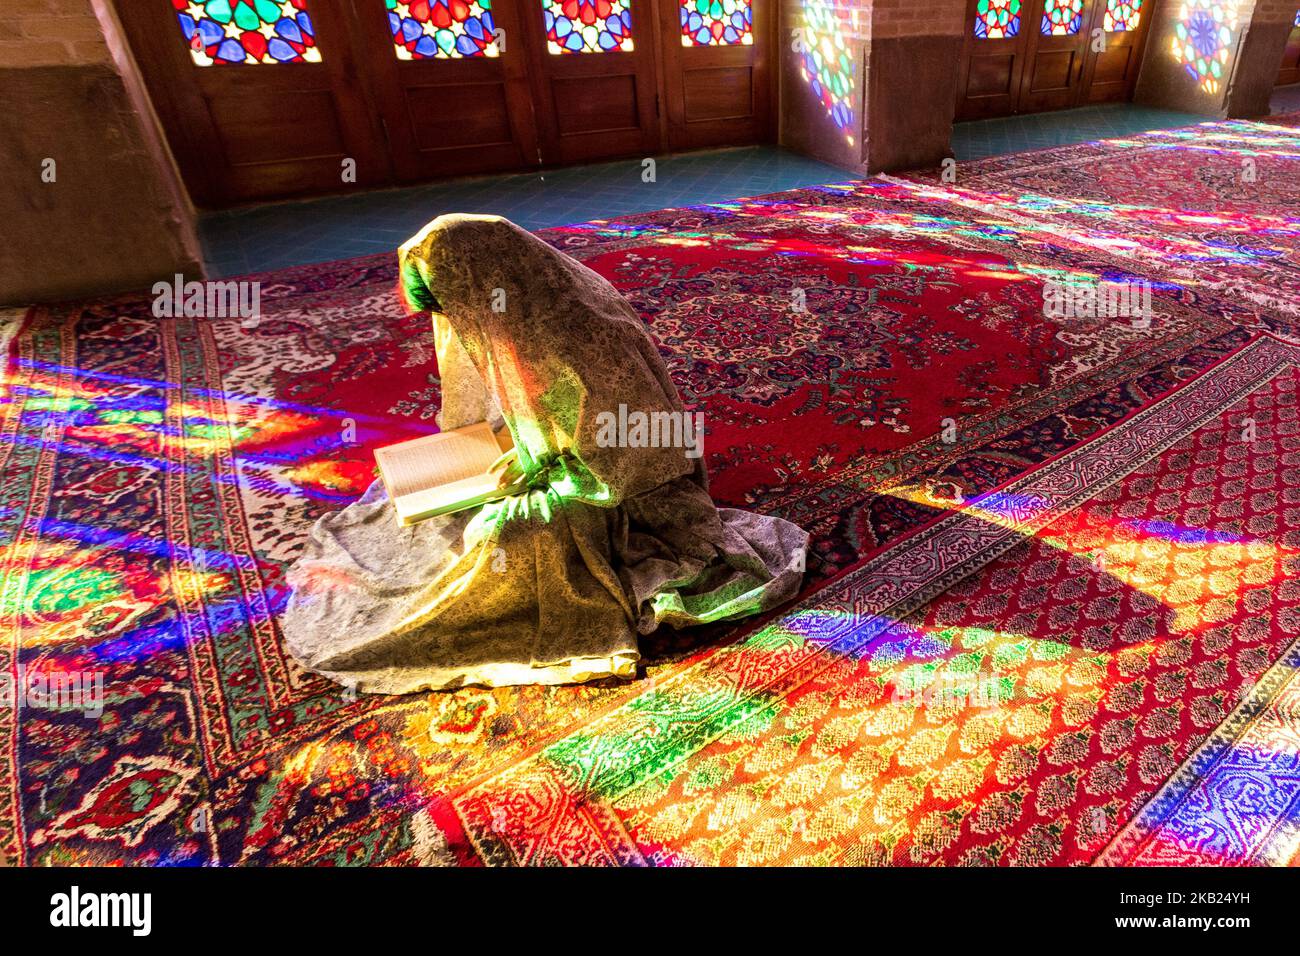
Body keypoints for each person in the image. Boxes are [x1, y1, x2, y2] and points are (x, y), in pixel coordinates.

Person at [281, 214, 809, 693]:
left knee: (503, 535)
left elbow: (628, 456)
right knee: (434, 497)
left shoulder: (579, 335)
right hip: (567, 455)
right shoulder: (522, 295)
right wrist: (518, 445)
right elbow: (527, 408)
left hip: (620, 488)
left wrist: (540, 470)